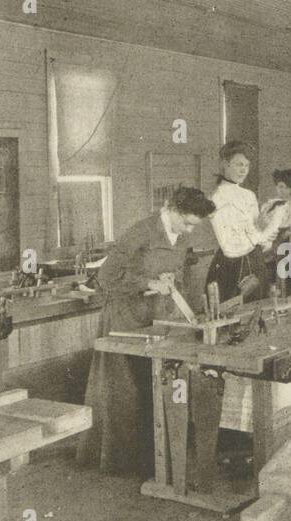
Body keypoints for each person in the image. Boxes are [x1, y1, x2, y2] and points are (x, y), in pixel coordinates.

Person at [76, 187, 216, 475]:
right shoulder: (141, 231)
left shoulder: (179, 234)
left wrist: (167, 278)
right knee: (126, 391)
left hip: (154, 316)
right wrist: (148, 283)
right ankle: (122, 463)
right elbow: (105, 278)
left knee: (153, 386)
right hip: (125, 318)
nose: (189, 229)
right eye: (187, 222)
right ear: (173, 211)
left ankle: (156, 460)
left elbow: (170, 268)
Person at [207, 141, 279, 302]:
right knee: (233, 318)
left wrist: (267, 231)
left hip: (255, 263)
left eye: (246, 165)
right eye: (239, 164)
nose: (243, 170)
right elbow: (229, 247)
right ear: (225, 164)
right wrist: (258, 230)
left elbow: (259, 238)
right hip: (231, 268)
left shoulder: (249, 195)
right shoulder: (217, 198)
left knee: (259, 315)